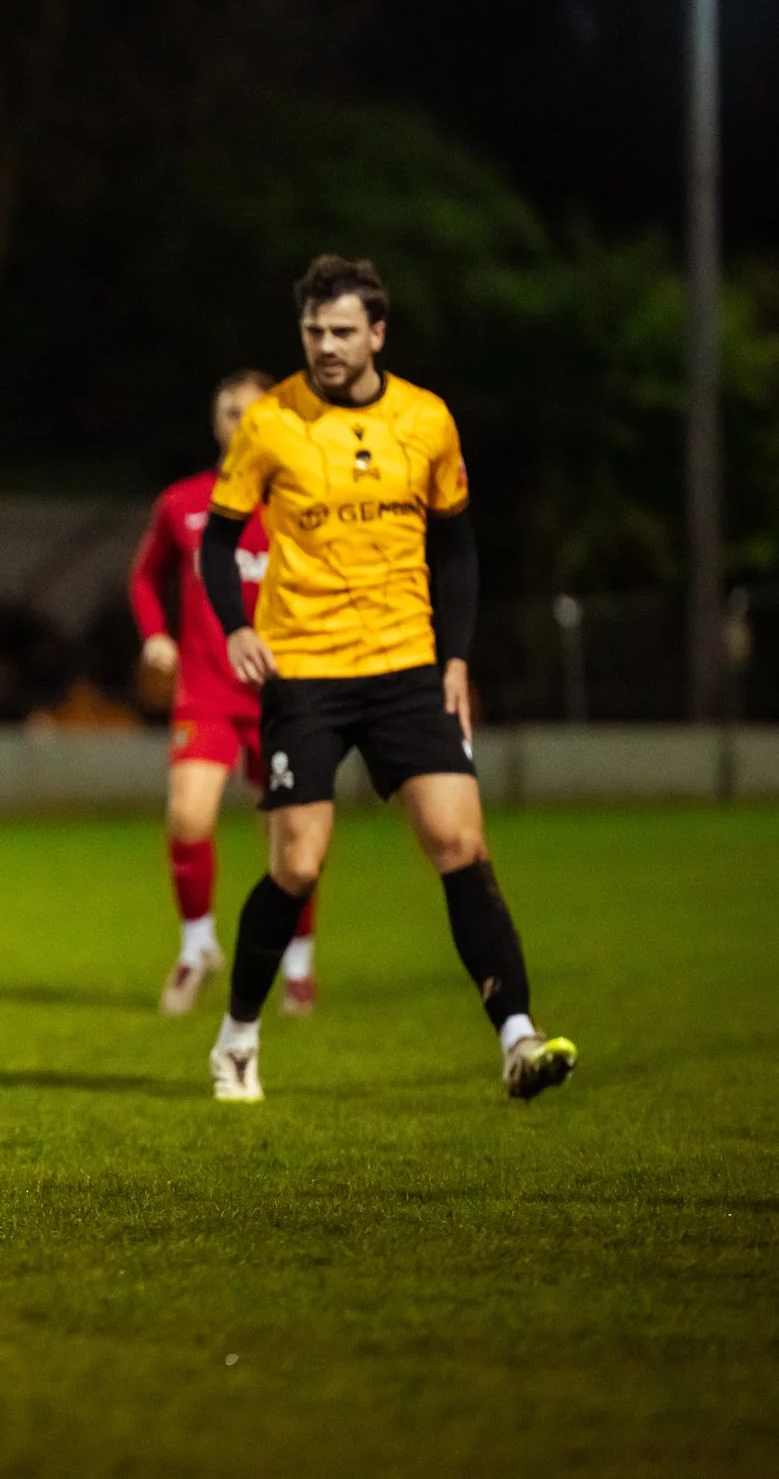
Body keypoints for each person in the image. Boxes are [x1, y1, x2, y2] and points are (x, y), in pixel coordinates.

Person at [200, 257, 578, 1103]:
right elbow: (219, 541)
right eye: (312, 332)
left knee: (460, 844)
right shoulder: (268, 424)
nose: (325, 346)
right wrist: (235, 628)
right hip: (305, 667)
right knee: (297, 864)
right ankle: (238, 1034)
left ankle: (517, 1037)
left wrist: (457, 655)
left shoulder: (426, 420)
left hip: (407, 665)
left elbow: (457, 546)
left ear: (377, 333)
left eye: (341, 331)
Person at [129, 372, 320, 1017]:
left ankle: (297, 966)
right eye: (227, 410)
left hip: (285, 697)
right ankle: (197, 946)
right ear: (215, 423)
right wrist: (156, 636)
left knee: (292, 838)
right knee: (187, 817)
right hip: (206, 694)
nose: (237, 420)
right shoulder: (183, 503)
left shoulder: (303, 502)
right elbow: (145, 578)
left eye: (250, 410)